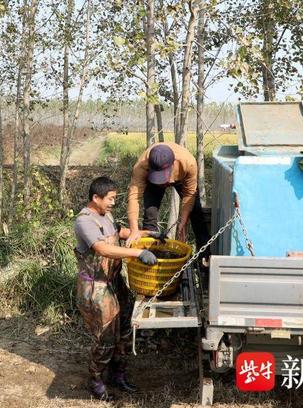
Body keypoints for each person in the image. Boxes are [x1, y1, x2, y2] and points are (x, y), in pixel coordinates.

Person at [74, 176, 160, 401]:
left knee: (124, 331)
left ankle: (118, 375)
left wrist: (143, 234)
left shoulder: (105, 214)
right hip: (96, 288)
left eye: (115, 198)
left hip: (115, 283)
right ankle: (96, 381)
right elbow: (102, 248)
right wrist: (138, 253)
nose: (113, 203)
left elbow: (118, 232)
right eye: (110, 199)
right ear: (96, 198)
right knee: (105, 338)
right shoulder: (85, 221)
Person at [125, 142, 211, 275]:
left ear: (173, 164)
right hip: (151, 182)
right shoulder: (142, 166)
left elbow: (189, 195)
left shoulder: (188, 163)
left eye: (163, 176)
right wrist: (134, 230)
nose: (164, 183)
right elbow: (134, 197)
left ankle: (204, 259)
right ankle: (150, 260)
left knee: (197, 213)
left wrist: (183, 222)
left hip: (181, 177)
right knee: (150, 215)